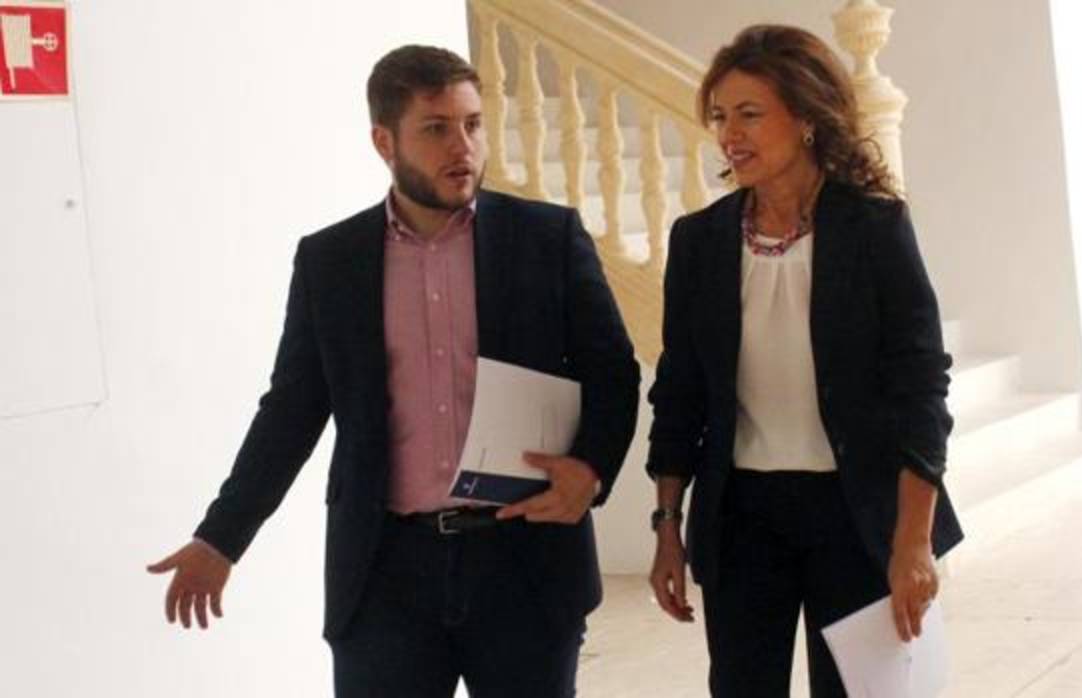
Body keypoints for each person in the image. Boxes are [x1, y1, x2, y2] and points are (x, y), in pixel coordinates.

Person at [146, 45, 640, 697]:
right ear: (385, 141)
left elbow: (614, 372)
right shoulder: (332, 261)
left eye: (471, 123)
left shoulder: (546, 238)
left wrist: (592, 467)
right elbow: (291, 411)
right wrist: (221, 537)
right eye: (435, 129)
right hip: (385, 576)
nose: (461, 146)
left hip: (523, 562)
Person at [645, 24, 963, 697]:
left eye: (751, 114)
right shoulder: (699, 242)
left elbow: (920, 389)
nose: (731, 134)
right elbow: (679, 394)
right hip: (742, 519)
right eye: (721, 117)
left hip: (856, 515)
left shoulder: (874, 229)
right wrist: (667, 527)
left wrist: (914, 541)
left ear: (808, 117)